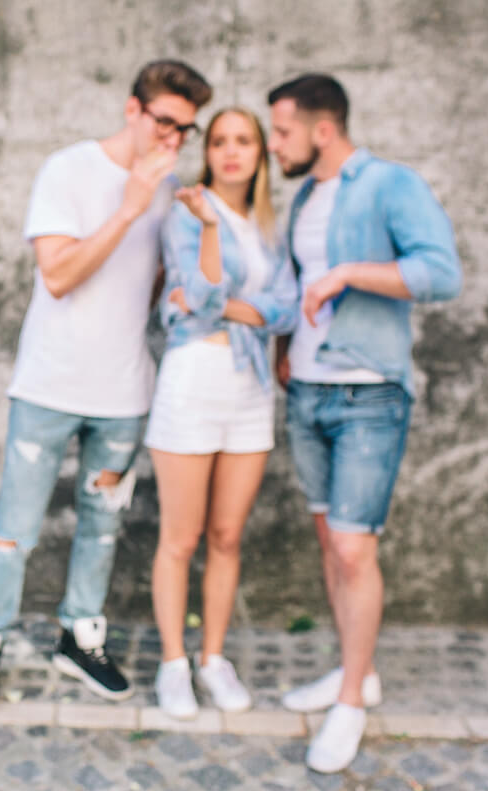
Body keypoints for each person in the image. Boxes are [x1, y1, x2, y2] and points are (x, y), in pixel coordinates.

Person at [0, 60, 212, 719]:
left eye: (186, 128)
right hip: (49, 383)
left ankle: (82, 636)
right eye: (165, 122)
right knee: (16, 527)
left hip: (124, 391)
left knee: (103, 527)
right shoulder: (68, 169)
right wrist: (129, 207)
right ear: (133, 109)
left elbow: (151, 285)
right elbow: (60, 275)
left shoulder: (171, 186)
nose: (173, 138)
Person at [266, 73, 461, 772]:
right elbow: (296, 287)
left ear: (323, 128)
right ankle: (358, 669)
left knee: (354, 550)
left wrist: (347, 270)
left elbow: (441, 273)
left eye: (282, 131)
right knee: (330, 542)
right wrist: (285, 347)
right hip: (310, 394)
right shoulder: (306, 197)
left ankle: (350, 702)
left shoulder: (389, 184)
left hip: (370, 393)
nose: (273, 144)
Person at [147, 108, 297, 719]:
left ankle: (213, 658)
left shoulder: (269, 225)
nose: (232, 151)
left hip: (251, 389)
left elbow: (286, 309)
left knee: (227, 536)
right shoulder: (188, 210)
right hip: (193, 381)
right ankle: (174, 664)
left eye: (245, 141)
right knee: (180, 539)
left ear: (261, 153)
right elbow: (198, 297)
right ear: (208, 150)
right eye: (220, 141)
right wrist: (210, 233)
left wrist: (224, 306)